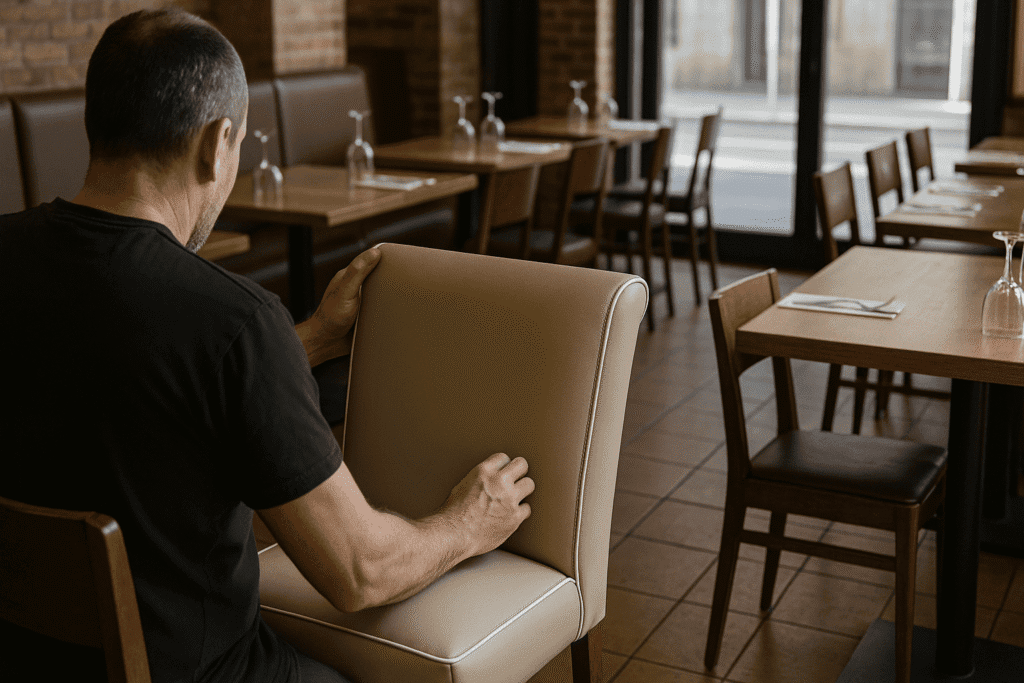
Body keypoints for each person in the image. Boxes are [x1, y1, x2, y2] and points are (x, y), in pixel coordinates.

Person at [0, 8, 533, 683]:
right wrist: (467, 523)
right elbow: (360, 571)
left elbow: (124, 371)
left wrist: (305, 337)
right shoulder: (232, 321)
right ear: (218, 143)